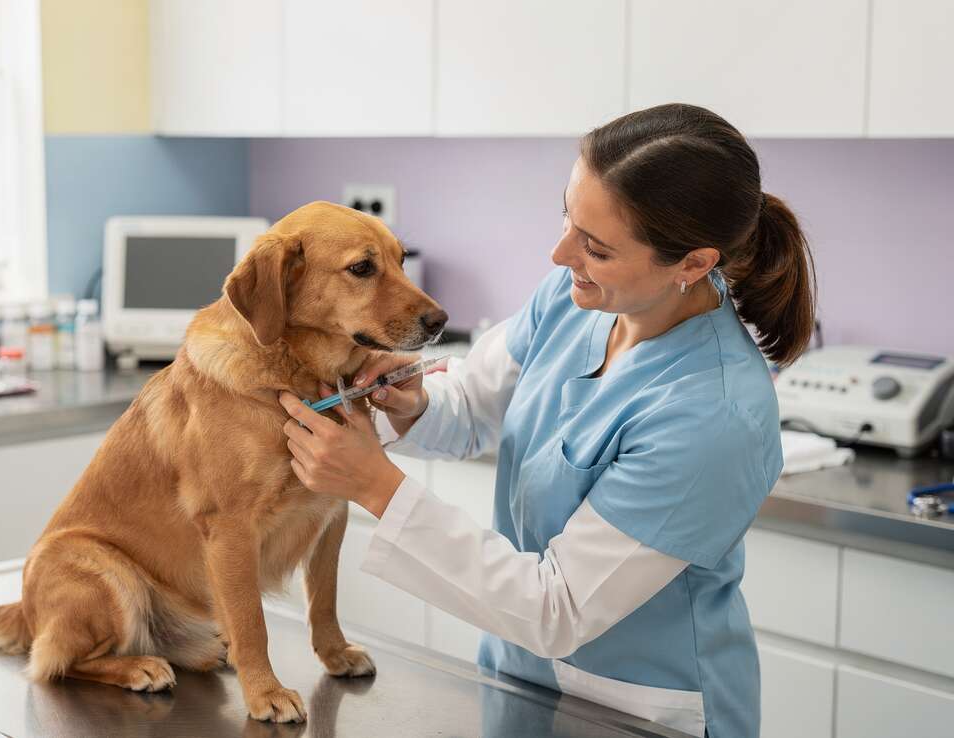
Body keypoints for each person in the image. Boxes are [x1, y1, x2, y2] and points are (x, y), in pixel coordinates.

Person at [278, 103, 816, 738]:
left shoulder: (714, 415)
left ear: (694, 264)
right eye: (567, 214)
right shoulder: (578, 295)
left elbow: (558, 609)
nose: (561, 253)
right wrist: (416, 402)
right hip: (519, 680)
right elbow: (478, 403)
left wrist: (374, 486)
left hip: (641, 710)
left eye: (596, 246)